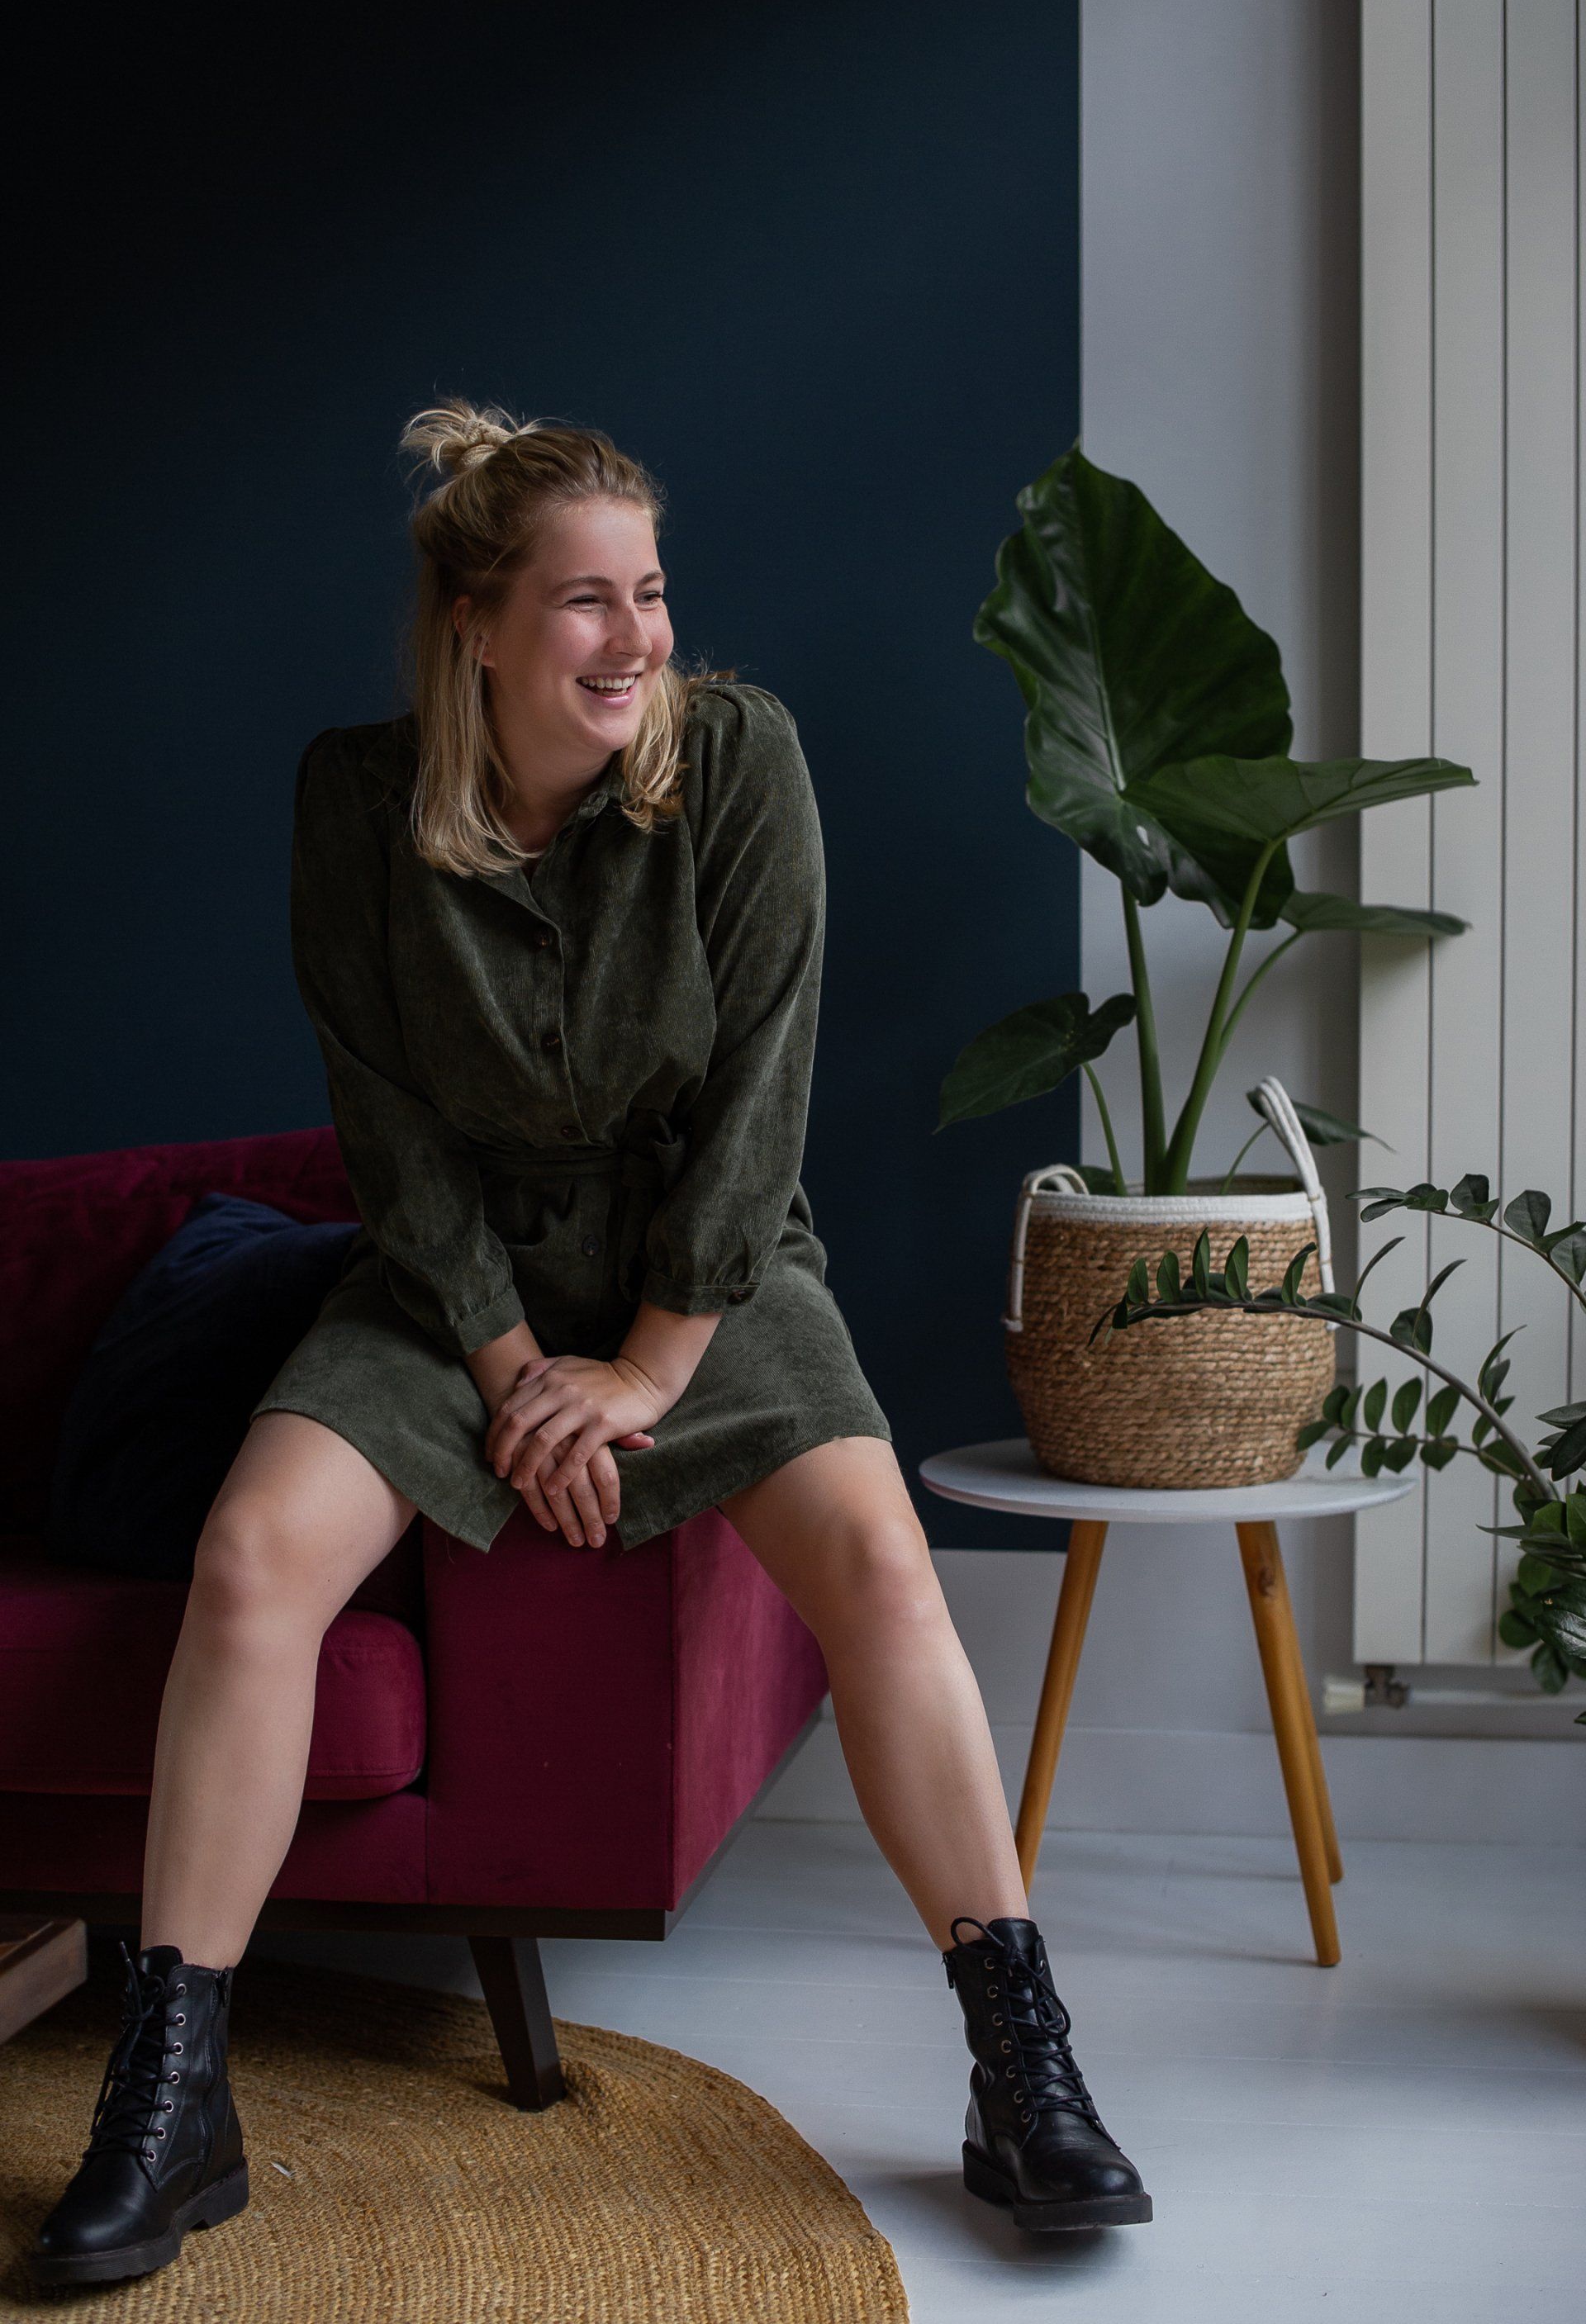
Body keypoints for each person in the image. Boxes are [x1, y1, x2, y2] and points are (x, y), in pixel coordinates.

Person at [28, 405, 1151, 2288]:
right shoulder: (351, 807)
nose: (635, 638)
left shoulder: (740, 766)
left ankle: (1017, 2055)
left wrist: (637, 1371)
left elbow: (759, 1106)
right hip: (452, 1286)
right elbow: (386, 1131)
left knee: (885, 1568)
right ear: (474, 622)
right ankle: (175, 2088)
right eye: (583, 603)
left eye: (650, 592)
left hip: (707, 1268)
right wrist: (499, 1368)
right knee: (250, 1563)